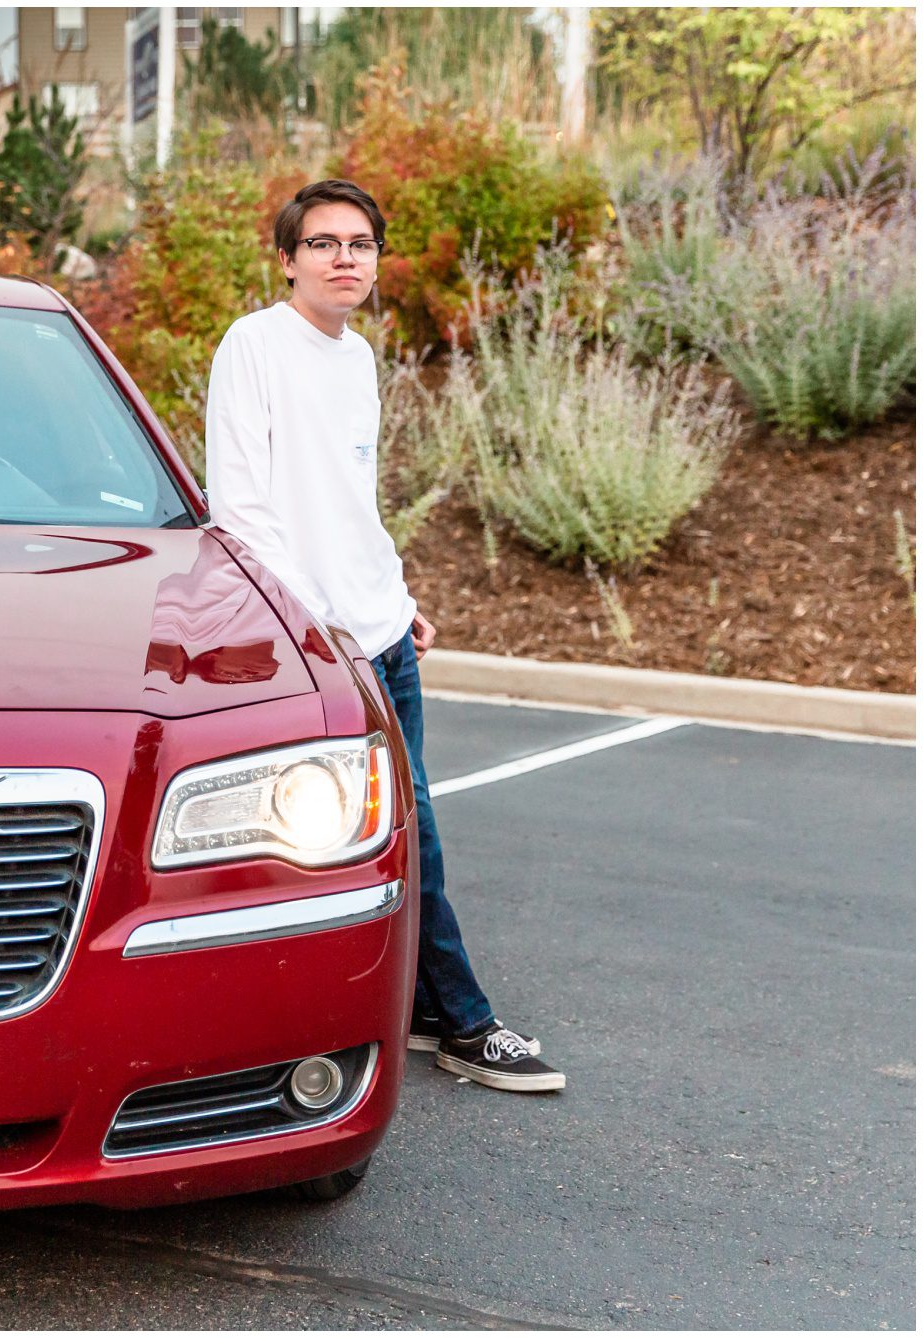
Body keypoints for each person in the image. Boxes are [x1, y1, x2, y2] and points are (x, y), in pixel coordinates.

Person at [203, 178, 564, 1094]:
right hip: (326, 644)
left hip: (382, 631)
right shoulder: (254, 346)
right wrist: (320, 628)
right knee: (405, 830)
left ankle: (419, 1009)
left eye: (360, 245)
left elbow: (350, 505)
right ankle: (466, 1024)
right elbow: (241, 511)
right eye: (323, 243)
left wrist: (396, 599)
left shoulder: (357, 359)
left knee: (405, 828)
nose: (344, 259)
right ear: (287, 258)